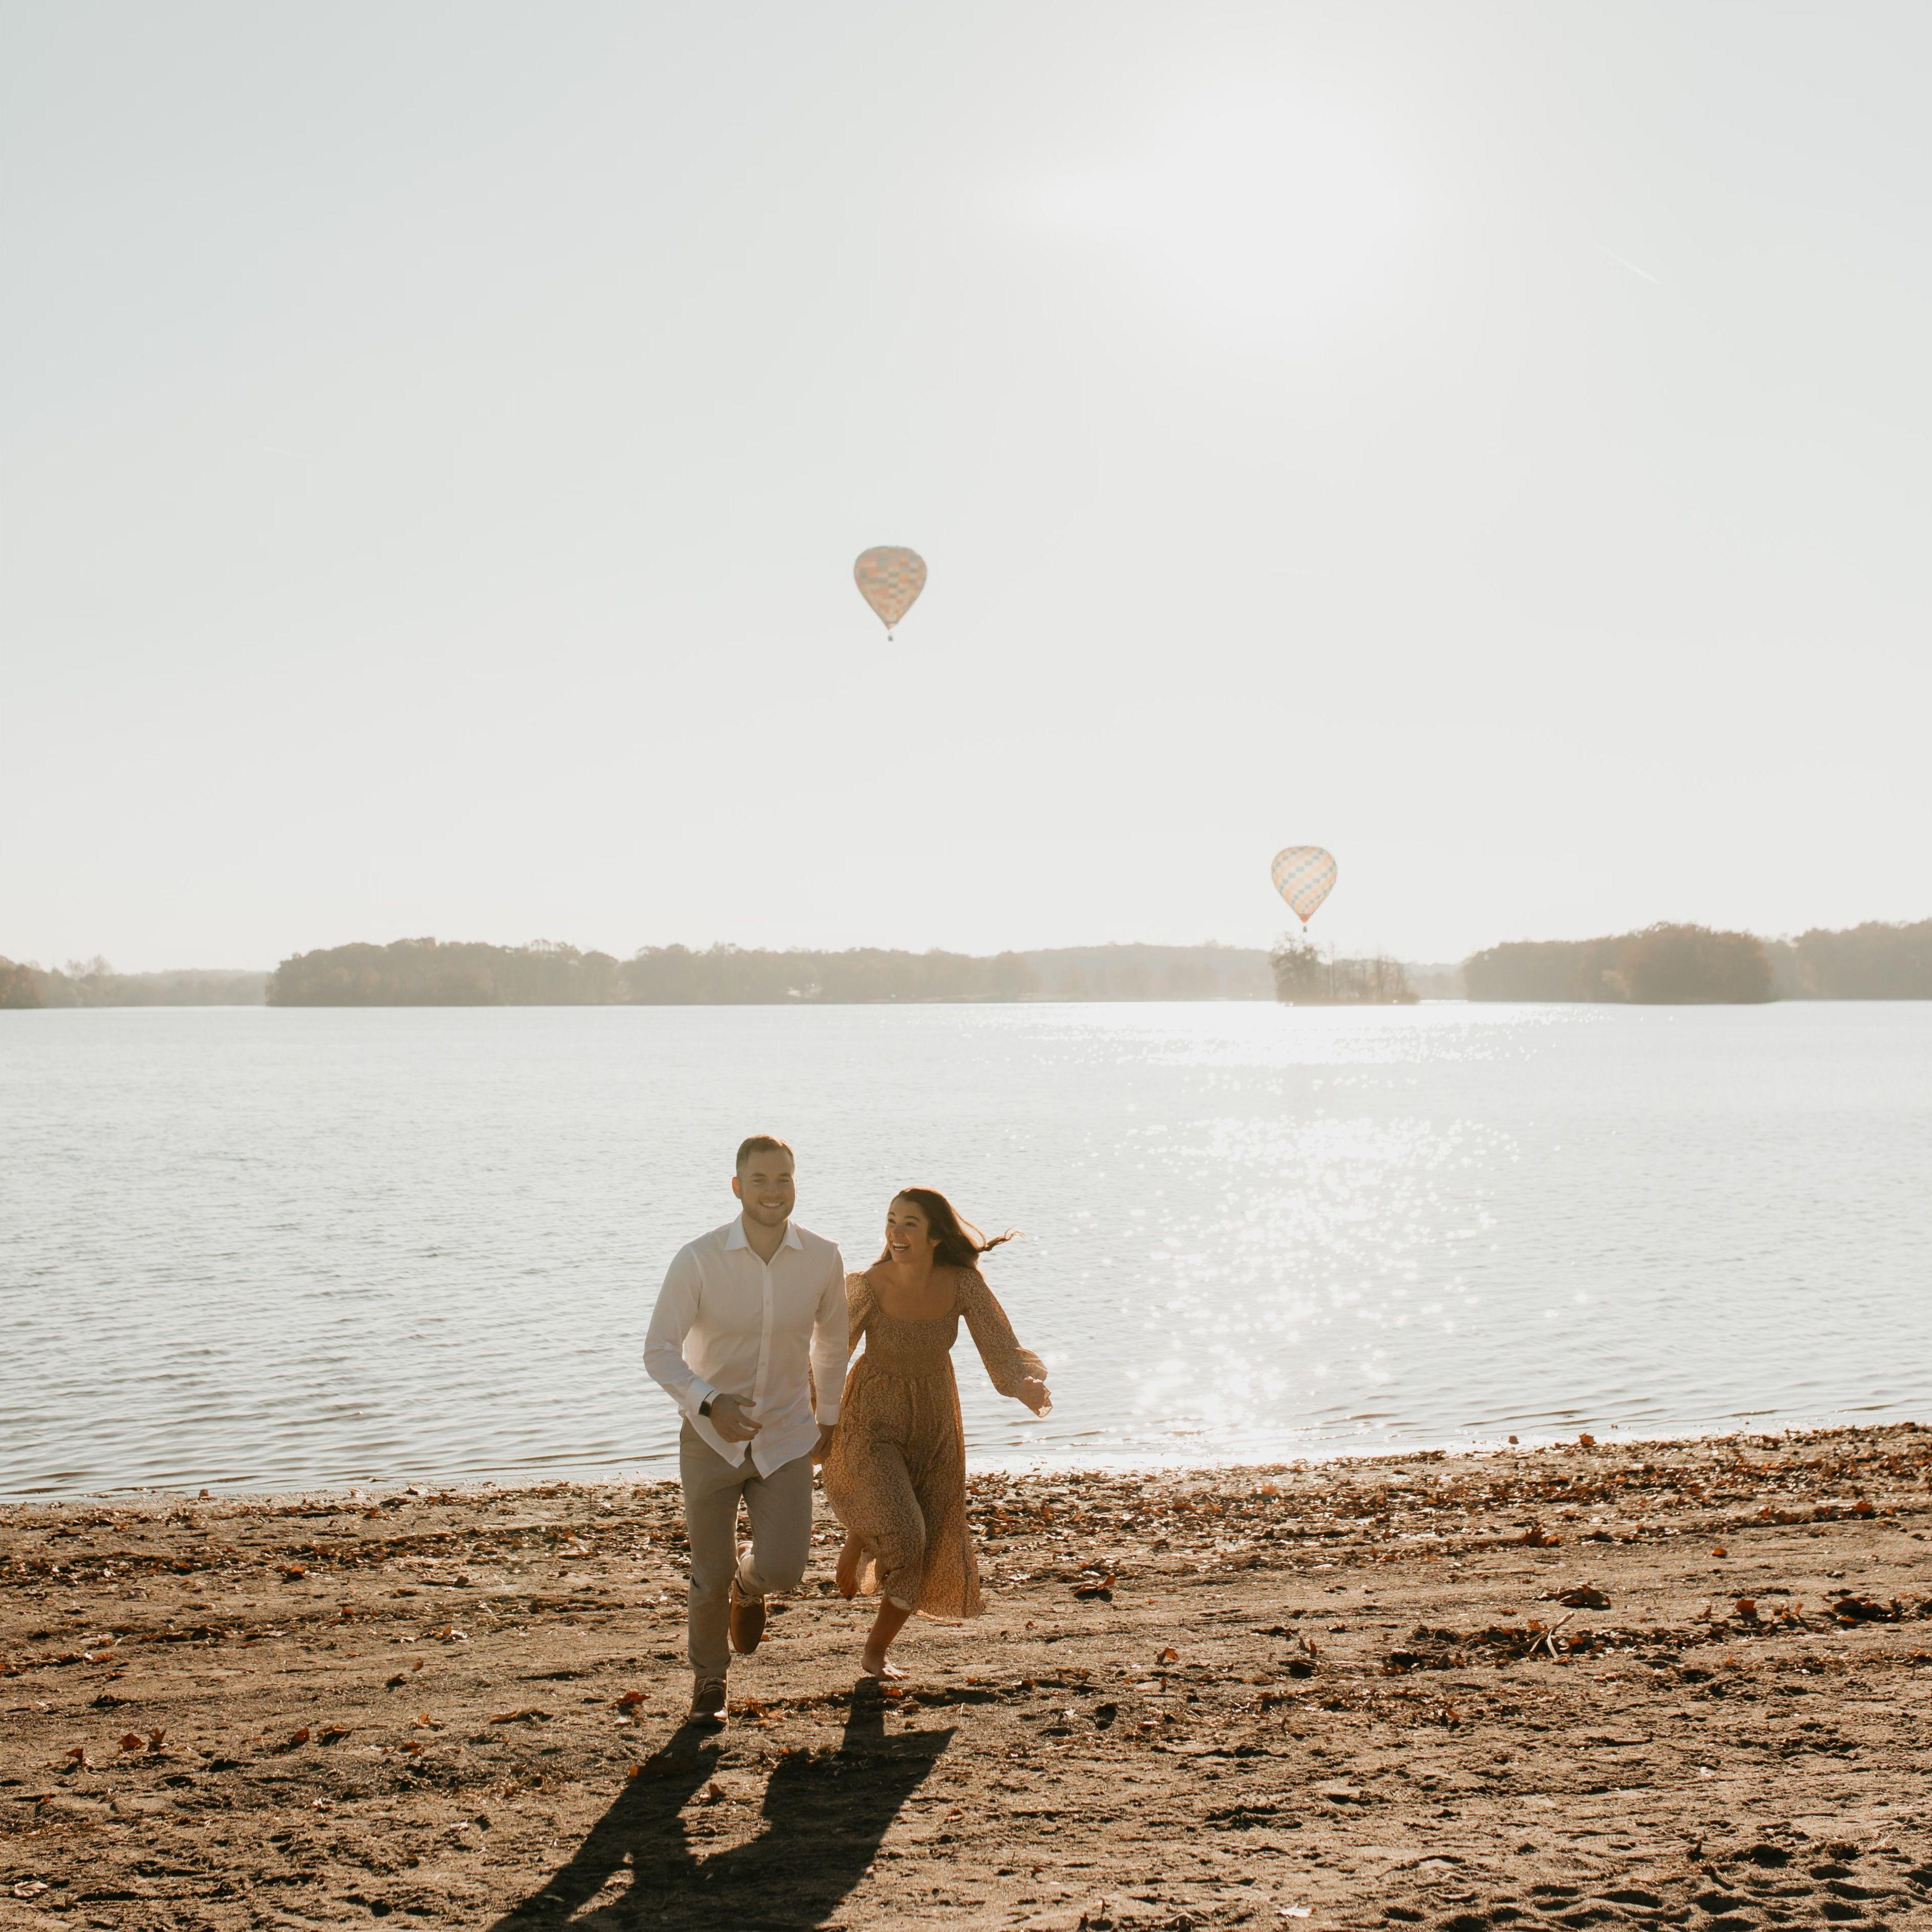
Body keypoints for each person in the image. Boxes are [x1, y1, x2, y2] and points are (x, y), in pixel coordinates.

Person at [645, 1136, 848, 1723]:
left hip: (786, 1433)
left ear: (795, 1184)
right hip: (710, 1439)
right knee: (707, 1573)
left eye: (784, 1179)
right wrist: (709, 1403)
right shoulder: (699, 1259)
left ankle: (750, 1585)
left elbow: (831, 1344)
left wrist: (830, 1419)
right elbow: (659, 1352)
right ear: (737, 1187)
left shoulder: (822, 1257)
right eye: (760, 1180)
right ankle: (710, 1682)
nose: (773, 1192)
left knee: (785, 1567)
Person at [819, 1187, 1051, 1679]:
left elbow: (999, 1345)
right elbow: (829, 1356)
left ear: (935, 1236)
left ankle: (874, 1644)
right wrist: (813, 1420)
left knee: (928, 1536)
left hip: (934, 1419)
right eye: (891, 1221)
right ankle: (873, 1626)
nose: (896, 1233)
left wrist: (1022, 1386)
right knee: (908, 1533)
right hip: (870, 1416)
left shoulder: (962, 1283)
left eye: (910, 1224)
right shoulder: (866, 1284)